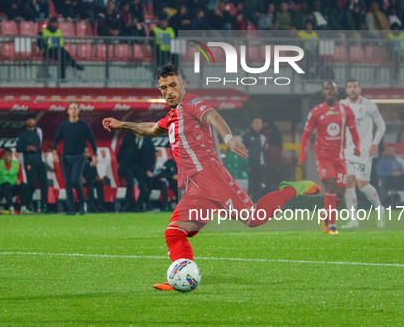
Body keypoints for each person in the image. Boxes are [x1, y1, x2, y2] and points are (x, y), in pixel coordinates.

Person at [102, 64, 321, 291]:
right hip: (195, 188)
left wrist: (228, 137)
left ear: (183, 85)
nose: (169, 91)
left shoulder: (192, 103)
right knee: (174, 233)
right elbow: (149, 128)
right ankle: (183, 277)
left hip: (211, 176)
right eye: (163, 87)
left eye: (173, 85)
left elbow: (212, 115)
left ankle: (290, 189)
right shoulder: (172, 116)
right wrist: (122, 125)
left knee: (254, 219)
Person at [298, 81, 361, 235]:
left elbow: (353, 131)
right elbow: (306, 136)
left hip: (339, 156)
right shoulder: (315, 112)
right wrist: (302, 156)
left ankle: (325, 213)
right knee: (331, 186)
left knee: (340, 192)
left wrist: (358, 147)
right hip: (323, 156)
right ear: (322, 93)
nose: (329, 92)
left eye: (332, 89)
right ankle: (332, 225)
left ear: (337, 92)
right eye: (326, 89)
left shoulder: (346, 111)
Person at [341, 80, 387, 229]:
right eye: (349, 87)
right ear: (346, 91)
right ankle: (353, 220)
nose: (352, 89)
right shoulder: (342, 105)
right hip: (347, 150)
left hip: (364, 150)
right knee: (348, 183)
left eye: (355, 86)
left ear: (360, 89)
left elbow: (381, 126)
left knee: (362, 185)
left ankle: (380, 208)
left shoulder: (368, 105)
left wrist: (375, 143)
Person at [53, 102, 98, 215]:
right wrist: (54, 152)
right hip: (66, 158)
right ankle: (71, 209)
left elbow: (92, 140)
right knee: (68, 183)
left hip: (79, 157)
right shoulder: (63, 125)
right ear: (68, 111)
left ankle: (82, 204)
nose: (73, 110)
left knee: (75, 180)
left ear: (78, 111)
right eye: (71, 108)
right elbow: (56, 139)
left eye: (75, 108)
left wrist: (95, 155)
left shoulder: (84, 125)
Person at [16, 115, 49, 213]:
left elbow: (42, 144)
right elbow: (18, 148)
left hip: (39, 160)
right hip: (29, 160)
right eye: (28, 120)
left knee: (44, 183)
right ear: (26, 122)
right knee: (31, 184)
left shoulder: (39, 132)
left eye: (32, 119)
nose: (30, 121)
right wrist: (27, 148)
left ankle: (44, 205)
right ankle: (29, 204)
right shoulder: (22, 134)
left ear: (35, 121)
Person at [117, 133, 156, 212]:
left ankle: (138, 206)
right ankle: (125, 206)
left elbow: (152, 157)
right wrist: (121, 164)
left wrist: (150, 169)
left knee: (144, 188)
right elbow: (121, 152)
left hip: (141, 169)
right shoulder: (128, 139)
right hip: (128, 167)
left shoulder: (148, 141)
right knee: (130, 185)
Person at [0, 148, 30, 215]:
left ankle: (23, 207)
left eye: (9, 155)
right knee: (6, 185)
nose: (7, 157)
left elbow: (20, 175)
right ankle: (11, 207)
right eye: (5, 155)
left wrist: (20, 180)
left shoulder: (17, 164)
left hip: (13, 186)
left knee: (24, 186)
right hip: (2, 186)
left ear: (12, 156)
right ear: (3, 156)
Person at [243, 118, 266, 201]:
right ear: (252, 124)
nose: (257, 125)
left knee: (259, 185)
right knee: (250, 185)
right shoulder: (247, 137)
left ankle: (257, 203)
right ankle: (249, 202)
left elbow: (263, 151)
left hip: (260, 165)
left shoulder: (263, 137)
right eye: (256, 123)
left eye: (259, 123)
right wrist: (247, 164)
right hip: (250, 165)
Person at [82, 146, 105, 213]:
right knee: (90, 184)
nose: (86, 154)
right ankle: (91, 206)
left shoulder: (91, 161)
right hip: (83, 180)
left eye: (88, 152)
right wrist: (81, 177)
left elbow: (94, 172)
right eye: (85, 152)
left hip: (91, 179)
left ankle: (100, 205)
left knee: (99, 184)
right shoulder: (80, 161)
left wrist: (97, 176)